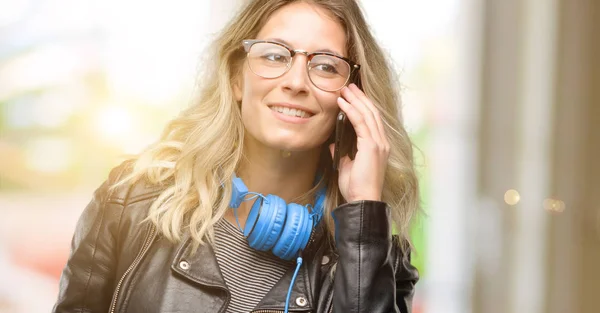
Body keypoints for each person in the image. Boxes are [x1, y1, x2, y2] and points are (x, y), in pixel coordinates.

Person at [52, 0, 420, 312]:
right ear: (236, 77)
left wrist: (364, 217)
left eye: (325, 65)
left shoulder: (379, 257)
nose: (295, 82)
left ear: (352, 98)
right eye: (275, 55)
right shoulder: (129, 201)